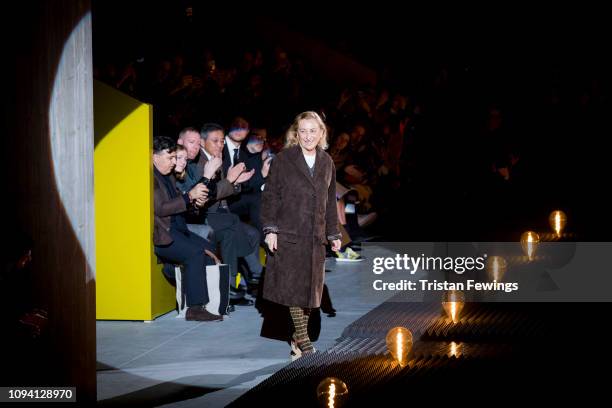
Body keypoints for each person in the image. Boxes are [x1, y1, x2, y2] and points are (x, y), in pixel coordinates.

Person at [260, 111, 342, 358]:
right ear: (296, 133)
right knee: (294, 290)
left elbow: (329, 203)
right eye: (303, 131)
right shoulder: (284, 160)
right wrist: (270, 229)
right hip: (289, 234)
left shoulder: (327, 162)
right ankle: (305, 343)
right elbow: (271, 196)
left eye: (313, 131)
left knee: (308, 293)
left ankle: (297, 339)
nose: (308, 136)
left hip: (315, 238)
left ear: (321, 134)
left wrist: (334, 233)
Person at [152, 136, 223, 321]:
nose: (174, 162)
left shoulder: (167, 177)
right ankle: (194, 308)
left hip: (178, 230)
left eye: (175, 157)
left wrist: (193, 200)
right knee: (195, 253)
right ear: (154, 157)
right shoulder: (151, 178)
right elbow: (160, 209)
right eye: (170, 158)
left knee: (209, 248)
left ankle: (210, 302)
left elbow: (181, 204)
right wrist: (188, 196)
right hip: (165, 235)